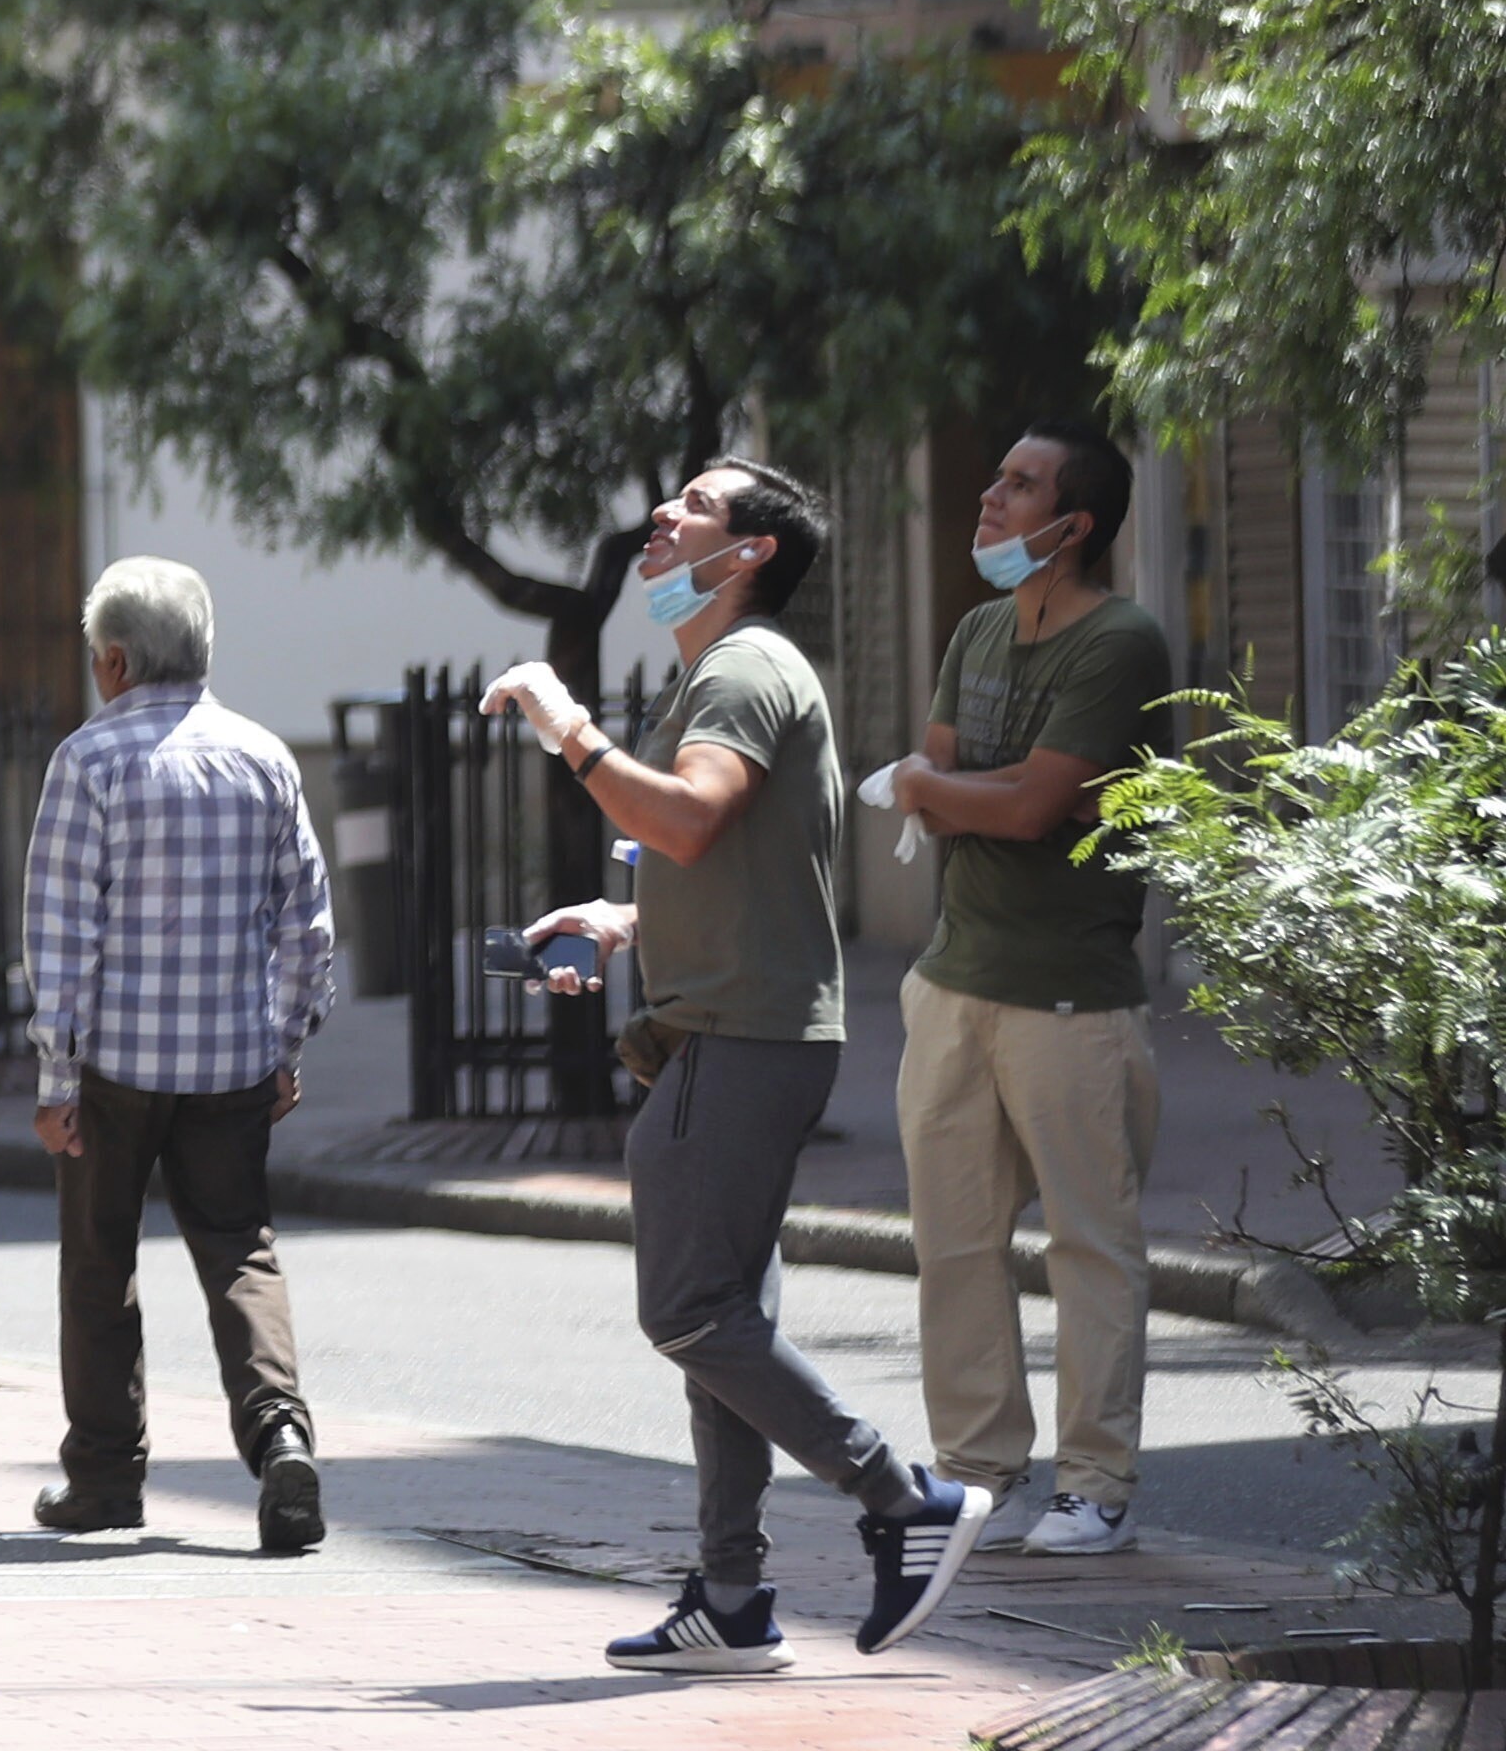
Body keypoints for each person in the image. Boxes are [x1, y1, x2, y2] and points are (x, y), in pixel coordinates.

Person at [488, 462, 987, 1675]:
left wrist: (570, 727)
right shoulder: (724, 668)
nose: (663, 515)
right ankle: (731, 1592)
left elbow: (693, 815)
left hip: (739, 1040)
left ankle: (903, 1497)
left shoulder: (747, 664)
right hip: (737, 1027)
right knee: (726, 1320)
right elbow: (724, 859)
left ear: (751, 550)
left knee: (689, 1310)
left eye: (697, 506)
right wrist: (622, 923)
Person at [884, 419, 1181, 1556]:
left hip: (1071, 994)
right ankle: (978, 1473)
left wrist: (961, 785)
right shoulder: (974, 629)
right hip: (952, 979)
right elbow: (950, 777)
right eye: (996, 476)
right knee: (954, 1242)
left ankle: (1094, 1484)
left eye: (1019, 484)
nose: (990, 497)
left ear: (1076, 523)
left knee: (1088, 1245)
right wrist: (968, 785)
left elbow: (1016, 800)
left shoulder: (1122, 641)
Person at [21, 556, 341, 1557]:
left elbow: (61, 933)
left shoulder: (88, 759)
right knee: (239, 1245)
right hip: (232, 1061)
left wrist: (54, 1077)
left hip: (115, 1067)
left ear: (114, 659)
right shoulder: (264, 757)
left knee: (99, 1263)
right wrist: (288, 1039)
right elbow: (308, 923)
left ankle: (107, 1477)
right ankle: (279, 1431)